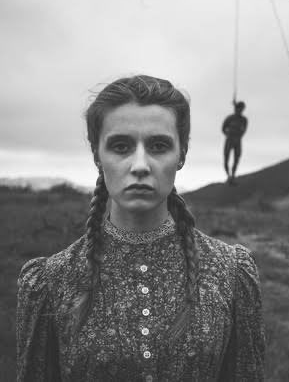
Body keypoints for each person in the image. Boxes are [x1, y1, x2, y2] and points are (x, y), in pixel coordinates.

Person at [16, 75, 265, 381]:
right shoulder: (53, 280)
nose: (140, 165)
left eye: (159, 146)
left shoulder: (230, 272)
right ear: (97, 156)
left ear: (182, 154)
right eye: (120, 146)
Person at [222, 101, 248, 185]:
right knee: (226, 158)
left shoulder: (244, 120)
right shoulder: (230, 118)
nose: (240, 110)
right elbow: (223, 128)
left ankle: (232, 176)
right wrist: (228, 134)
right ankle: (229, 176)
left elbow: (244, 130)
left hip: (237, 141)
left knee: (237, 158)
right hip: (229, 140)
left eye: (241, 109)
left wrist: (238, 135)